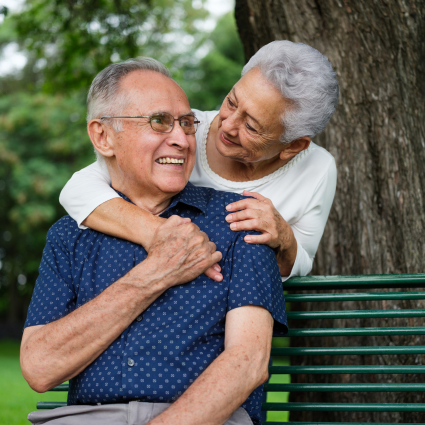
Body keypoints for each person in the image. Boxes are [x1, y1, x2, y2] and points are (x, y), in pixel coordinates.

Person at [21, 58, 288, 425]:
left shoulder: (240, 219)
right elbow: (39, 366)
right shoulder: (69, 237)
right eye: (160, 121)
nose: (180, 139)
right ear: (103, 136)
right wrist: (156, 274)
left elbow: (249, 364)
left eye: (187, 123)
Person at [59, 40, 339, 281]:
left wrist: (284, 237)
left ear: (293, 146)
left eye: (251, 127)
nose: (227, 125)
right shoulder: (181, 130)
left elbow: (300, 261)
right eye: (231, 102)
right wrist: (160, 234)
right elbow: (78, 190)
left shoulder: (317, 168)